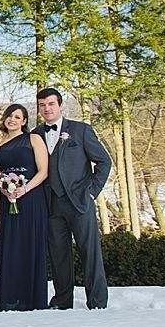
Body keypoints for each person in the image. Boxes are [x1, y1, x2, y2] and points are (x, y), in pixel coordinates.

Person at [33, 87, 112, 310]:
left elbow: (104, 162)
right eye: (42, 105)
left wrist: (92, 192)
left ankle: (97, 302)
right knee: (59, 255)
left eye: (50, 104)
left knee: (90, 252)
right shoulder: (36, 134)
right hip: (50, 204)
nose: (46, 108)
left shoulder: (81, 131)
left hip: (80, 202)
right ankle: (62, 301)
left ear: (60, 106)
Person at [0, 103, 50, 311]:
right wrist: (4, 189)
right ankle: (10, 297)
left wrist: (24, 189)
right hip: (8, 199)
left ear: (24, 121)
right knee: (10, 244)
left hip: (32, 198)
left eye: (17, 117)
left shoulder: (33, 139)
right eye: (9, 116)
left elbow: (43, 171)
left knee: (30, 242)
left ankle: (32, 298)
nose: (12, 119)